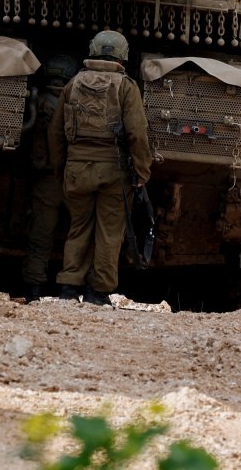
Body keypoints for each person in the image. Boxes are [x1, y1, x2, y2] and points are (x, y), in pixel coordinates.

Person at [49, 31, 152, 305]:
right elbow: (137, 134)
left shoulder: (73, 84)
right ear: (122, 56)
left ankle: (69, 287)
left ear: (93, 51)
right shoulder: (126, 87)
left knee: (79, 227)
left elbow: (56, 133)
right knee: (110, 232)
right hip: (114, 173)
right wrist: (142, 172)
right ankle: (99, 292)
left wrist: (61, 169)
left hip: (77, 169)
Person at [21, 55, 78, 302]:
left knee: (40, 237)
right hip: (75, 180)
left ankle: (33, 288)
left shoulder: (38, 101)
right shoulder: (77, 102)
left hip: (46, 180)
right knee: (78, 237)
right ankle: (70, 289)